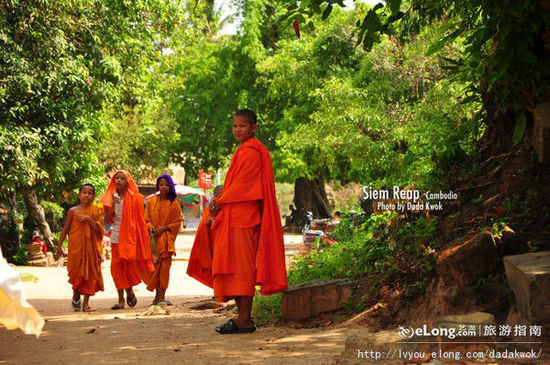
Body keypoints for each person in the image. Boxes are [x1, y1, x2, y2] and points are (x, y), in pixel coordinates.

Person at [188, 109, 287, 334]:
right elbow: (236, 186)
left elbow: (245, 188)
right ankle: (242, 317)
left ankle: (244, 318)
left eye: (242, 126)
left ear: (254, 127)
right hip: (233, 218)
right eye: (234, 126)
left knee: (242, 270)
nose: (237, 129)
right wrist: (220, 202)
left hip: (243, 219)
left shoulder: (252, 151)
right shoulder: (243, 150)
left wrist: (220, 200)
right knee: (232, 269)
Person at [100, 170, 154, 310]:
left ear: (127, 181)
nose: (118, 180)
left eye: (122, 178)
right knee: (116, 268)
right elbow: (106, 220)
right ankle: (120, 300)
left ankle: (129, 289)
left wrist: (140, 237)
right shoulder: (110, 197)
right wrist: (113, 204)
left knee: (129, 266)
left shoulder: (136, 198)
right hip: (116, 236)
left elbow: (140, 221)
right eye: (116, 178)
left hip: (130, 237)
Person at [56, 184, 104, 312]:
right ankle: (76, 292)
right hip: (76, 245)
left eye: (90, 193)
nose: (87, 195)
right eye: (84, 192)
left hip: (91, 247)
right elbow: (65, 229)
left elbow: (99, 229)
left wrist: (88, 219)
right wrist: (59, 246)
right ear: (79, 195)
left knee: (90, 272)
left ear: (93, 196)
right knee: (77, 271)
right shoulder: (73, 211)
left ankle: (86, 303)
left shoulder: (96, 210)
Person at [143, 174, 182, 305]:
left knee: (164, 269)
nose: (164, 187)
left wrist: (164, 228)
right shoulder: (151, 202)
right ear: (157, 186)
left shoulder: (174, 204)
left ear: (171, 187)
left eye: (166, 185)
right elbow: (146, 219)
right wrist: (151, 227)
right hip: (153, 239)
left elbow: (177, 223)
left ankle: (162, 296)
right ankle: (156, 295)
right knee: (154, 267)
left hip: (166, 241)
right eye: (161, 184)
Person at [187, 185, 223, 288]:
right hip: (212, 244)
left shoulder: (228, 208)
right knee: (215, 267)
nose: (219, 198)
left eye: (221, 195)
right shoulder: (209, 209)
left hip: (225, 244)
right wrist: (209, 221)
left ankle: (224, 289)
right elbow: (204, 224)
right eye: (217, 195)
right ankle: (217, 289)